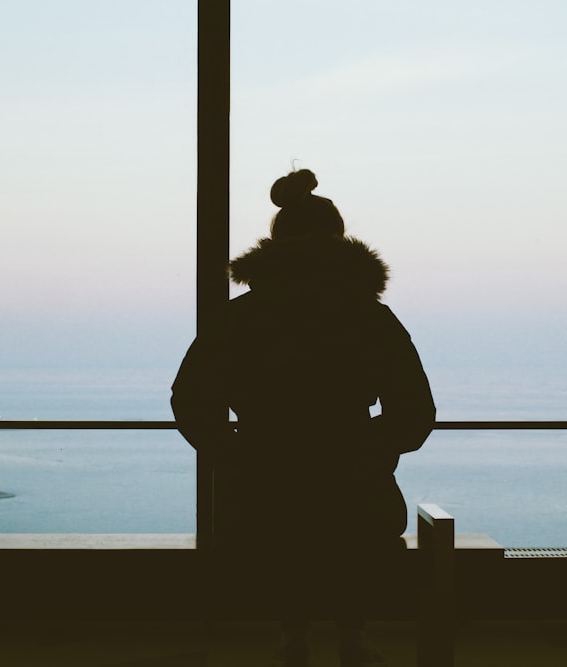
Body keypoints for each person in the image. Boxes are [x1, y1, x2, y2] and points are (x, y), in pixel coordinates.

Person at [171, 168, 435, 666]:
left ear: (275, 244)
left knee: (283, 561)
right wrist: (374, 448)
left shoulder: (240, 317)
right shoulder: (369, 317)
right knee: (349, 563)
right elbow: (416, 408)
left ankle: (291, 637)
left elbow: (190, 399)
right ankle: (351, 636)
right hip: (353, 474)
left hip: (264, 474)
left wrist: (233, 451)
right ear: (340, 242)